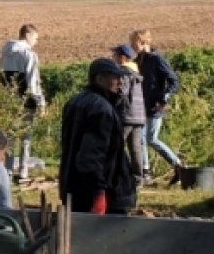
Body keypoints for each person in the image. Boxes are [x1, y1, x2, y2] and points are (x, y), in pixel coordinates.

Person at [57, 58, 138, 215]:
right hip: (99, 194)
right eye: (115, 78)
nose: (120, 82)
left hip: (73, 187)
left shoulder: (75, 101)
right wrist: (99, 193)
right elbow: (91, 155)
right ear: (100, 79)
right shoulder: (102, 109)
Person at [132, 29, 184, 184]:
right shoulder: (138, 60)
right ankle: (145, 171)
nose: (132, 46)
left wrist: (163, 99)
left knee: (151, 139)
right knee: (140, 139)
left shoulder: (157, 59)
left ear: (143, 42)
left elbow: (173, 81)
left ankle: (179, 166)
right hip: (141, 105)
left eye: (134, 42)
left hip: (155, 106)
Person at [0, 24, 45, 180]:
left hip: (8, 100)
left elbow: (1, 77)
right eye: (35, 38)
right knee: (26, 137)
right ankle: (23, 171)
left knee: (9, 137)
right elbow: (33, 83)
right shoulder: (29, 55)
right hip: (26, 101)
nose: (36, 42)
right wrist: (41, 103)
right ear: (27, 35)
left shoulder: (5, 52)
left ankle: (8, 172)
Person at [111, 45, 150, 186]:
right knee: (135, 148)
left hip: (126, 115)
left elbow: (123, 93)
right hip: (139, 116)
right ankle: (138, 178)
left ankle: (114, 175)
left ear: (123, 58)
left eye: (115, 55)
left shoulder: (124, 73)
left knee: (114, 145)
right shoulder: (136, 73)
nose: (113, 58)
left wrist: (113, 105)